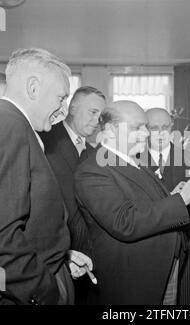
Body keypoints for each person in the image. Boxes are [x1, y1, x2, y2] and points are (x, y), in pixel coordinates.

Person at [74, 100, 190, 305]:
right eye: (137, 128)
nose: (146, 133)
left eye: (145, 127)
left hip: (162, 270)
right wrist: (182, 199)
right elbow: (125, 222)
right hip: (133, 281)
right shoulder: (93, 169)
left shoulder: (135, 162)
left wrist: (173, 197)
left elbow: (146, 205)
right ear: (111, 130)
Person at [0, 48, 92, 305]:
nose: (63, 111)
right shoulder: (9, 125)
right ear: (33, 88)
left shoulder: (15, 125)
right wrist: (45, 292)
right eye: (61, 98)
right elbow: (3, 238)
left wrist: (60, 254)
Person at [39, 86, 105, 304]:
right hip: (54, 256)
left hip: (87, 257)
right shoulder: (44, 139)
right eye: (93, 112)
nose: (97, 120)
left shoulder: (94, 154)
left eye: (101, 115)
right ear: (73, 107)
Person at [145, 107, 190, 304]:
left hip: (186, 243)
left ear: (171, 128)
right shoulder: (133, 161)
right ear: (144, 130)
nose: (160, 132)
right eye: (153, 127)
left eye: (165, 127)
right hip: (148, 246)